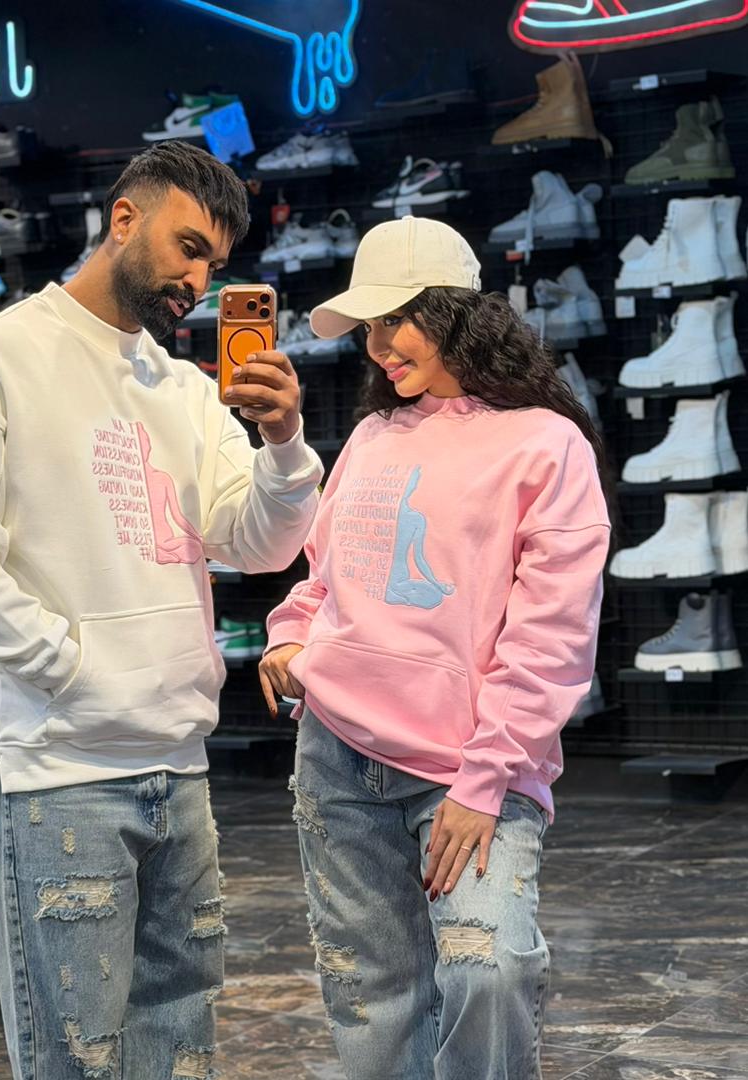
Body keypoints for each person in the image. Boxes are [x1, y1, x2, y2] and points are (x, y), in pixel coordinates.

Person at [0, 141, 323, 1080]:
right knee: (77, 1059)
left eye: (215, 262)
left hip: (179, 765)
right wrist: (71, 668)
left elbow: (258, 542)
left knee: (181, 1049)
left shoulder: (183, 388)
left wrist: (285, 443)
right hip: (60, 773)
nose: (198, 280)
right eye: (187, 247)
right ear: (123, 219)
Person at [259, 216, 610, 1079]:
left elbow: (552, 637)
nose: (378, 346)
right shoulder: (376, 435)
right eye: (369, 327)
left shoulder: (545, 443)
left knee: (489, 970)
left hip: (469, 767)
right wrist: (291, 634)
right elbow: (326, 574)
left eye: (395, 320)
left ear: (455, 312)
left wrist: (485, 780)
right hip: (336, 753)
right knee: (370, 992)